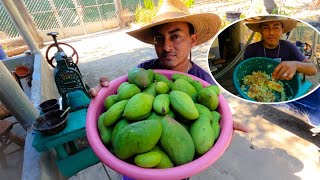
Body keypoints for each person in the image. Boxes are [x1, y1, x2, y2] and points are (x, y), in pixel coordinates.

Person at [90, 0, 250, 131]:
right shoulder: (144, 71)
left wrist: (224, 127)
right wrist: (103, 94)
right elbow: (117, 102)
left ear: (193, 40)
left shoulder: (203, 81)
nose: (166, 47)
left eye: (175, 36)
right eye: (159, 39)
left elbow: (213, 118)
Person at [244, 15, 317, 81]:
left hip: (283, 86)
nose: (271, 33)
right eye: (266, 28)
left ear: (282, 30)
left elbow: (313, 70)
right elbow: (244, 72)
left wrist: (296, 65)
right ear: (260, 30)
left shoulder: (289, 47)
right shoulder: (251, 49)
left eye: (276, 28)